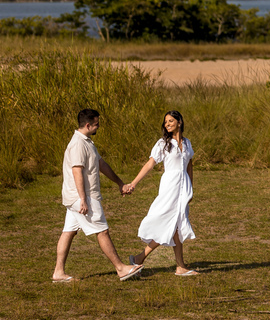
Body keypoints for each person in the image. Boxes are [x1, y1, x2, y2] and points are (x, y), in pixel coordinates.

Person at [51, 108, 143, 283]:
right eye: (96, 125)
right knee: (102, 231)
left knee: (68, 232)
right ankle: (121, 268)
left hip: (79, 197)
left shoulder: (87, 142)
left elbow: (101, 164)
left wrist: (120, 183)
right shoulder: (78, 144)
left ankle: (58, 272)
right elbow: (77, 171)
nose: (98, 127)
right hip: (83, 197)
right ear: (88, 125)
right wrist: (84, 199)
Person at [125, 110, 198, 276]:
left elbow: (189, 166)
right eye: (166, 122)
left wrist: (191, 188)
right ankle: (139, 258)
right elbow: (150, 164)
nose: (168, 124)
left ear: (179, 122)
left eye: (171, 121)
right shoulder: (162, 143)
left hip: (183, 188)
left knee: (178, 225)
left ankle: (180, 266)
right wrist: (134, 183)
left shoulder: (187, 143)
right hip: (169, 187)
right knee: (167, 222)